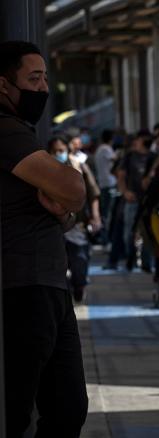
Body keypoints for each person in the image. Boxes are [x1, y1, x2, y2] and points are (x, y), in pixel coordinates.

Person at [0, 40, 88, 437]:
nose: (43, 88)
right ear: (4, 85)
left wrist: (64, 211)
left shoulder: (23, 131)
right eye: (33, 78)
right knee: (21, 409)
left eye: (45, 78)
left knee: (67, 407)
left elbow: (64, 210)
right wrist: (68, 194)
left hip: (47, 285)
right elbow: (74, 187)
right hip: (23, 288)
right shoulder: (6, 130)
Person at [48, 135, 102, 303]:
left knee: (79, 262)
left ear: (68, 149)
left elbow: (93, 193)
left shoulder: (79, 166)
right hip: (53, 225)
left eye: (61, 150)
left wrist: (95, 216)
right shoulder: (44, 169)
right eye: (55, 151)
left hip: (77, 225)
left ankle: (79, 287)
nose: (59, 154)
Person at [116, 131, 155, 271]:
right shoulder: (130, 156)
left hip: (149, 201)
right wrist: (125, 192)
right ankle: (130, 258)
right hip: (132, 200)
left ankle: (146, 263)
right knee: (129, 233)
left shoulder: (153, 157)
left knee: (147, 233)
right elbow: (120, 176)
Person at [94, 129, 117, 244]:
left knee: (105, 213)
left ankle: (105, 239)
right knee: (108, 214)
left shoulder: (99, 149)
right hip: (109, 184)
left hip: (103, 183)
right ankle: (106, 239)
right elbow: (115, 160)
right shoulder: (106, 149)